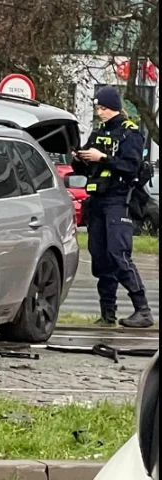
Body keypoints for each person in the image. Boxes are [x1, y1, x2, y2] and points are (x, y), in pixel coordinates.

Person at [72, 85, 154, 328]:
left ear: (115, 107)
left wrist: (103, 158)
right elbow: (87, 169)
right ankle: (107, 314)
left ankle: (143, 310)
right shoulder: (98, 134)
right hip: (97, 200)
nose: (100, 113)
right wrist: (81, 159)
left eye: (104, 108)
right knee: (100, 258)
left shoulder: (131, 133)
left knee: (119, 254)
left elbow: (131, 166)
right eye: (97, 108)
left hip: (119, 200)